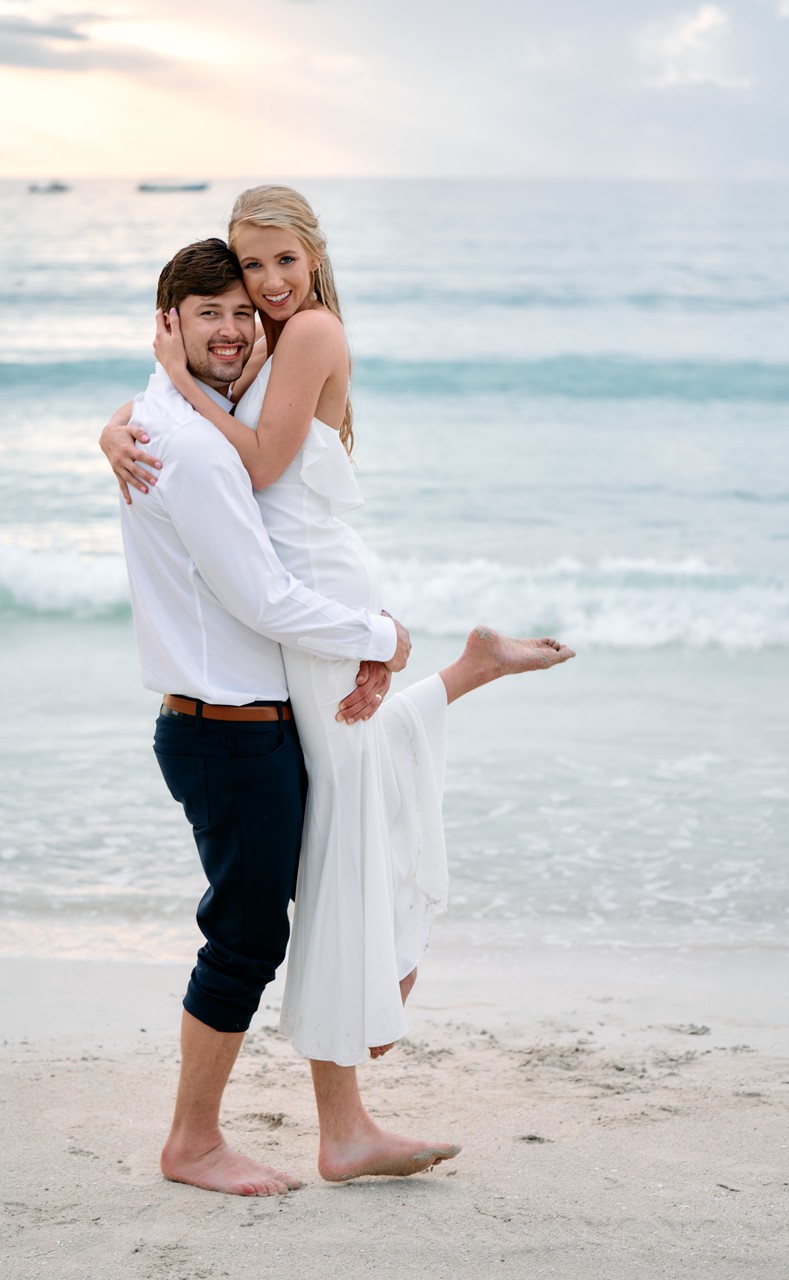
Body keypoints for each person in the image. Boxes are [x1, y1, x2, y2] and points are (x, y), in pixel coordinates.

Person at [101, 188, 575, 1187]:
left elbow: (253, 461)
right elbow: (238, 483)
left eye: (274, 272)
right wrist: (139, 407)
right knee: (335, 837)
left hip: (307, 615)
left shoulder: (289, 339)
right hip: (287, 641)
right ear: (174, 317)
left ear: (313, 257)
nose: (256, 299)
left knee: (348, 825)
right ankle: (299, 1107)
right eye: (241, 279)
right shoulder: (217, 396)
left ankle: (352, 1092)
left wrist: (165, 387)